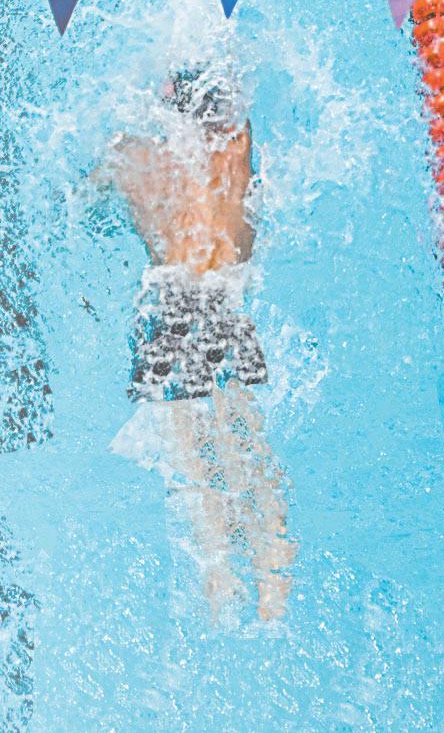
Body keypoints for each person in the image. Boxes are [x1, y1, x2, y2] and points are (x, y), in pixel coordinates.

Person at [97, 66, 297, 621]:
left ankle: (220, 585)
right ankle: (274, 575)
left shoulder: (135, 152)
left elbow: (88, 199)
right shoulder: (236, 145)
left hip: (171, 305)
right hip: (226, 304)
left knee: (194, 465)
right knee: (247, 447)